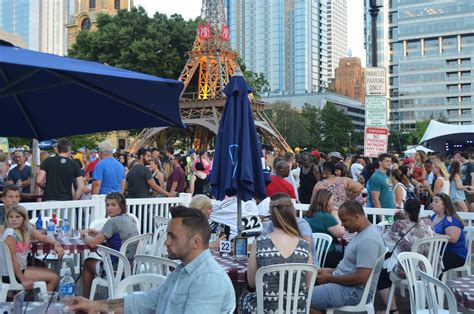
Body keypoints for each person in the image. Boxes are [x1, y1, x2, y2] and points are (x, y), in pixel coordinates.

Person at [69, 206, 235, 313]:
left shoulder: (209, 280)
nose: (166, 242)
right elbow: (146, 301)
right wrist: (95, 305)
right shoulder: (182, 271)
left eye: (173, 236)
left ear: (196, 242)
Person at [240, 193, 312, 313]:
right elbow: (308, 285)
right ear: (292, 213)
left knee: (244, 298)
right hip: (296, 309)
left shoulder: (260, 243)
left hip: (266, 309)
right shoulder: (304, 246)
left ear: (271, 215)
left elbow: (252, 282)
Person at [310, 200, 385, 313]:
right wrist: (330, 271)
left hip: (353, 292)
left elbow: (361, 277)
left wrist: (330, 278)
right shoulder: (362, 234)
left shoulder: (369, 240)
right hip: (345, 287)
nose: (342, 224)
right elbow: (352, 267)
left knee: (300, 299)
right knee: (301, 291)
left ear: (356, 217)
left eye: (344, 220)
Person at [377, 199, 435, 314]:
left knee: (381, 275)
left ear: (405, 211)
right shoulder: (428, 222)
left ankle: (393, 310)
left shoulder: (399, 225)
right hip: (426, 266)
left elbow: (387, 243)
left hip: (406, 269)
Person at [80, 192, 139, 298]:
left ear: (121, 206)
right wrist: (99, 233)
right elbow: (118, 236)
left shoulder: (113, 222)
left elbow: (93, 243)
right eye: (107, 205)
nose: (109, 208)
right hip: (130, 269)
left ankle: (85, 300)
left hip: (115, 271)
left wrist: (84, 235)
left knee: (88, 263)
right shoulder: (129, 219)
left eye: (113, 205)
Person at [0, 205, 60, 291]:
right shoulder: (10, 233)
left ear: (24, 219)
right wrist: (23, 280)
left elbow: (42, 238)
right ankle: (44, 303)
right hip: (11, 274)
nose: (13, 219)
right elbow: (12, 259)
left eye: (17, 217)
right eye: (11, 217)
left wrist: (55, 243)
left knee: (47, 270)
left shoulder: (26, 229)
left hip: (20, 269)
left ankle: (39, 300)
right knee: (54, 277)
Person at [304, 189, 345, 268]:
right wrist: (335, 214)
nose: (334, 202)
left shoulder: (308, 215)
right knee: (347, 255)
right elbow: (341, 233)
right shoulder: (326, 217)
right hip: (325, 253)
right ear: (327, 201)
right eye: (332, 200)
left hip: (309, 253)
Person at [431, 193, 467, 272]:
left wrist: (432, 235)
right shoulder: (433, 217)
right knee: (423, 259)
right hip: (440, 252)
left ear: (444, 205)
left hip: (455, 254)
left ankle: (434, 284)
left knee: (433, 263)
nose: (432, 203)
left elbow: (453, 239)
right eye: (432, 201)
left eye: (436, 201)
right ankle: (424, 283)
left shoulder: (450, 220)